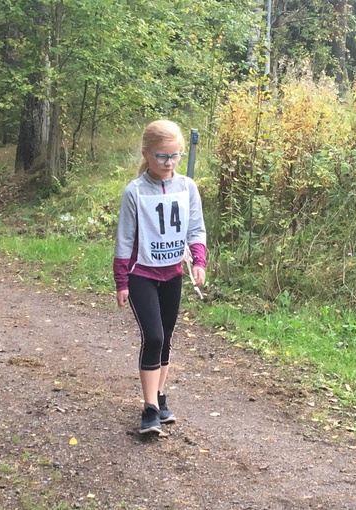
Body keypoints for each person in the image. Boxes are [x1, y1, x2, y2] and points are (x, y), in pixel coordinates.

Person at [113, 120, 207, 435]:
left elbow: (196, 228)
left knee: (166, 338)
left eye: (175, 156)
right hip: (141, 273)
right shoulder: (135, 192)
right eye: (162, 156)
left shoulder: (187, 187)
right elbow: (125, 239)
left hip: (172, 273)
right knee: (152, 337)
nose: (169, 163)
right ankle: (150, 408)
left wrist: (199, 261)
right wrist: (121, 280)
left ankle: (160, 395)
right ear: (146, 154)